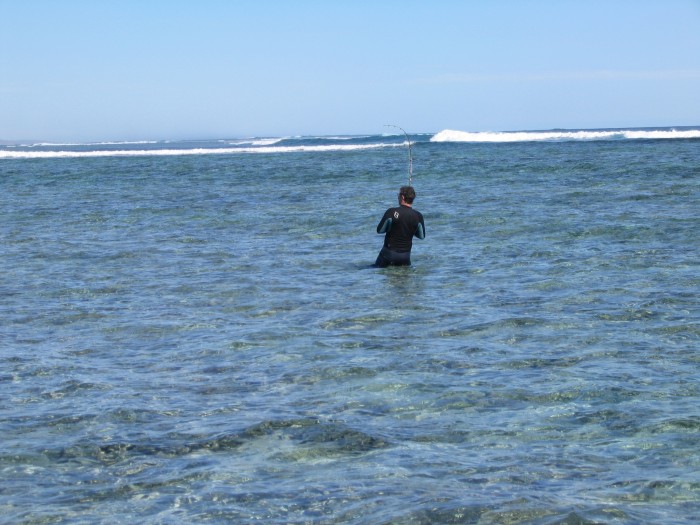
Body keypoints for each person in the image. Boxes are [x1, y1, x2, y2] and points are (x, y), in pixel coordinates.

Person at [373, 186, 425, 267]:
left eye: (398, 195)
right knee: (404, 278)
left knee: (373, 270)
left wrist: (392, 226)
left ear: (402, 197)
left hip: (388, 255)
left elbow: (380, 230)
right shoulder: (418, 216)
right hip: (406, 257)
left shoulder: (391, 212)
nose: (398, 197)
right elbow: (421, 236)